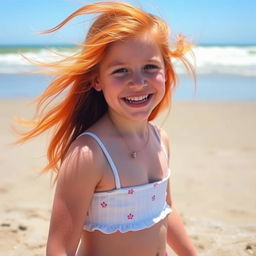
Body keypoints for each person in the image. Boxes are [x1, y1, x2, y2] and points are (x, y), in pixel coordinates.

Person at [18, 1, 198, 256]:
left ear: (166, 71)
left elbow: (165, 208)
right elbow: (59, 248)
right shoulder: (89, 154)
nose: (138, 82)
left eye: (150, 67)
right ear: (97, 80)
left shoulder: (160, 139)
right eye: (121, 70)